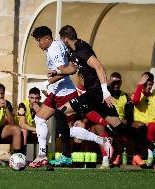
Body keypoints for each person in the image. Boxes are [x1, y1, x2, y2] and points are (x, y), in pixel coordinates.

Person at [48, 25, 155, 168]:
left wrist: (105, 92)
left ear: (65, 39)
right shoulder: (74, 51)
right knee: (119, 127)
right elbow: (72, 68)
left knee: (60, 112)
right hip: (96, 94)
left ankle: (66, 156)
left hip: (95, 93)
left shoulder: (82, 49)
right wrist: (56, 71)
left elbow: (99, 67)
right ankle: (153, 146)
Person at [28, 26, 112, 168]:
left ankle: (102, 141)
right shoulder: (55, 46)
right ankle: (42, 155)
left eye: (39, 41)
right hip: (57, 91)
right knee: (40, 119)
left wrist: (46, 83)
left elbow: (66, 71)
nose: (38, 44)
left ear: (47, 38)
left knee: (68, 129)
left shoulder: (54, 48)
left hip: (64, 92)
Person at [132, 72, 155, 166]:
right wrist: (140, 84)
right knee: (147, 128)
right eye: (146, 84)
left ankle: (154, 158)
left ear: (153, 84)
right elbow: (135, 101)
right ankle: (144, 156)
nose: (148, 87)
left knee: (154, 126)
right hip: (140, 124)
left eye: (150, 84)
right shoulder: (136, 94)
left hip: (153, 124)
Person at [17, 87, 41, 155]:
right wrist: (36, 129)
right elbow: (22, 125)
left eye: (36, 98)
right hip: (21, 129)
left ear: (40, 98)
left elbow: (44, 122)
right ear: (28, 97)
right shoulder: (22, 105)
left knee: (45, 132)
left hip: (33, 130)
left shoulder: (41, 106)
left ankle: (41, 156)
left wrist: (39, 111)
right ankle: (23, 155)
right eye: (32, 98)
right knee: (24, 131)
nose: (34, 100)